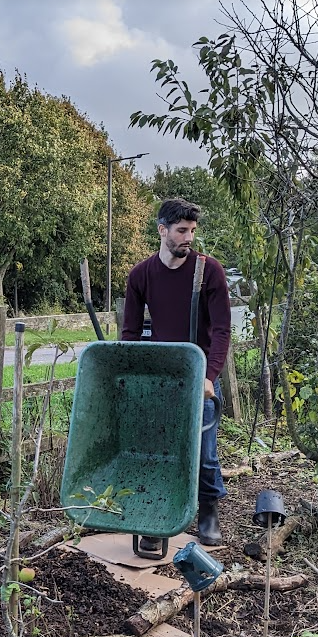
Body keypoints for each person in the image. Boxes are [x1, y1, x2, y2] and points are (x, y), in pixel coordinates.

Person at [121, 198, 231, 546]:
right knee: (159, 451)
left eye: (192, 231)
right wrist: (134, 377)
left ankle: (208, 511)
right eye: (182, 231)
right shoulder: (141, 275)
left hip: (199, 379)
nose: (189, 238)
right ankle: (158, 518)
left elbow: (221, 330)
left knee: (204, 452)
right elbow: (130, 333)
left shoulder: (208, 271)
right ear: (162, 230)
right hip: (161, 380)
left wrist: (210, 377)